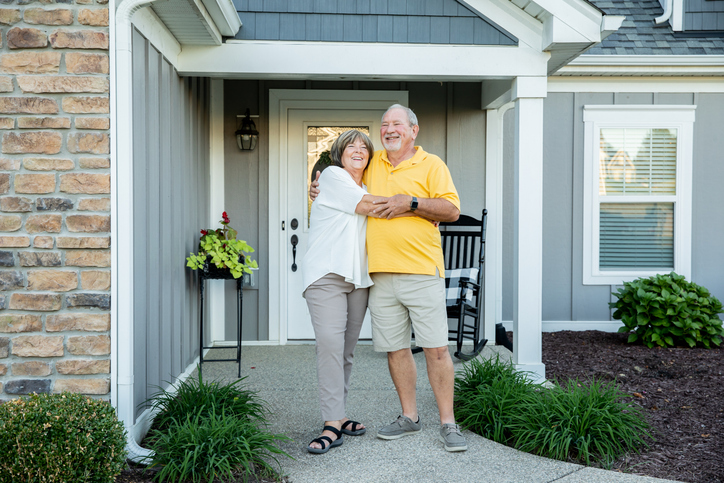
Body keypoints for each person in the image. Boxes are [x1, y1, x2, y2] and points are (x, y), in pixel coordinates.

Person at [311, 105, 467, 452]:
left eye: (397, 123)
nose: (389, 129)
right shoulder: (373, 163)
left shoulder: (432, 164)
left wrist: (412, 202)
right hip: (378, 274)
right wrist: (318, 187)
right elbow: (345, 183)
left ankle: (448, 422)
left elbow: (452, 210)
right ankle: (408, 417)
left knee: (437, 350)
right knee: (396, 350)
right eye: (384, 125)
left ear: (414, 130)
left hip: (422, 271)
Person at [302, 129, 394, 454]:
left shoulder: (369, 185)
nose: (358, 150)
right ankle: (330, 425)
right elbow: (368, 206)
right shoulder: (331, 175)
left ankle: (338, 415)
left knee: (345, 351)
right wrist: (418, 208)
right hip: (326, 275)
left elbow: (378, 204)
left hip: (358, 280)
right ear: (339, 153)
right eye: (350, 146)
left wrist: (423, 218)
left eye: (363, 147)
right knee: (329, 346)